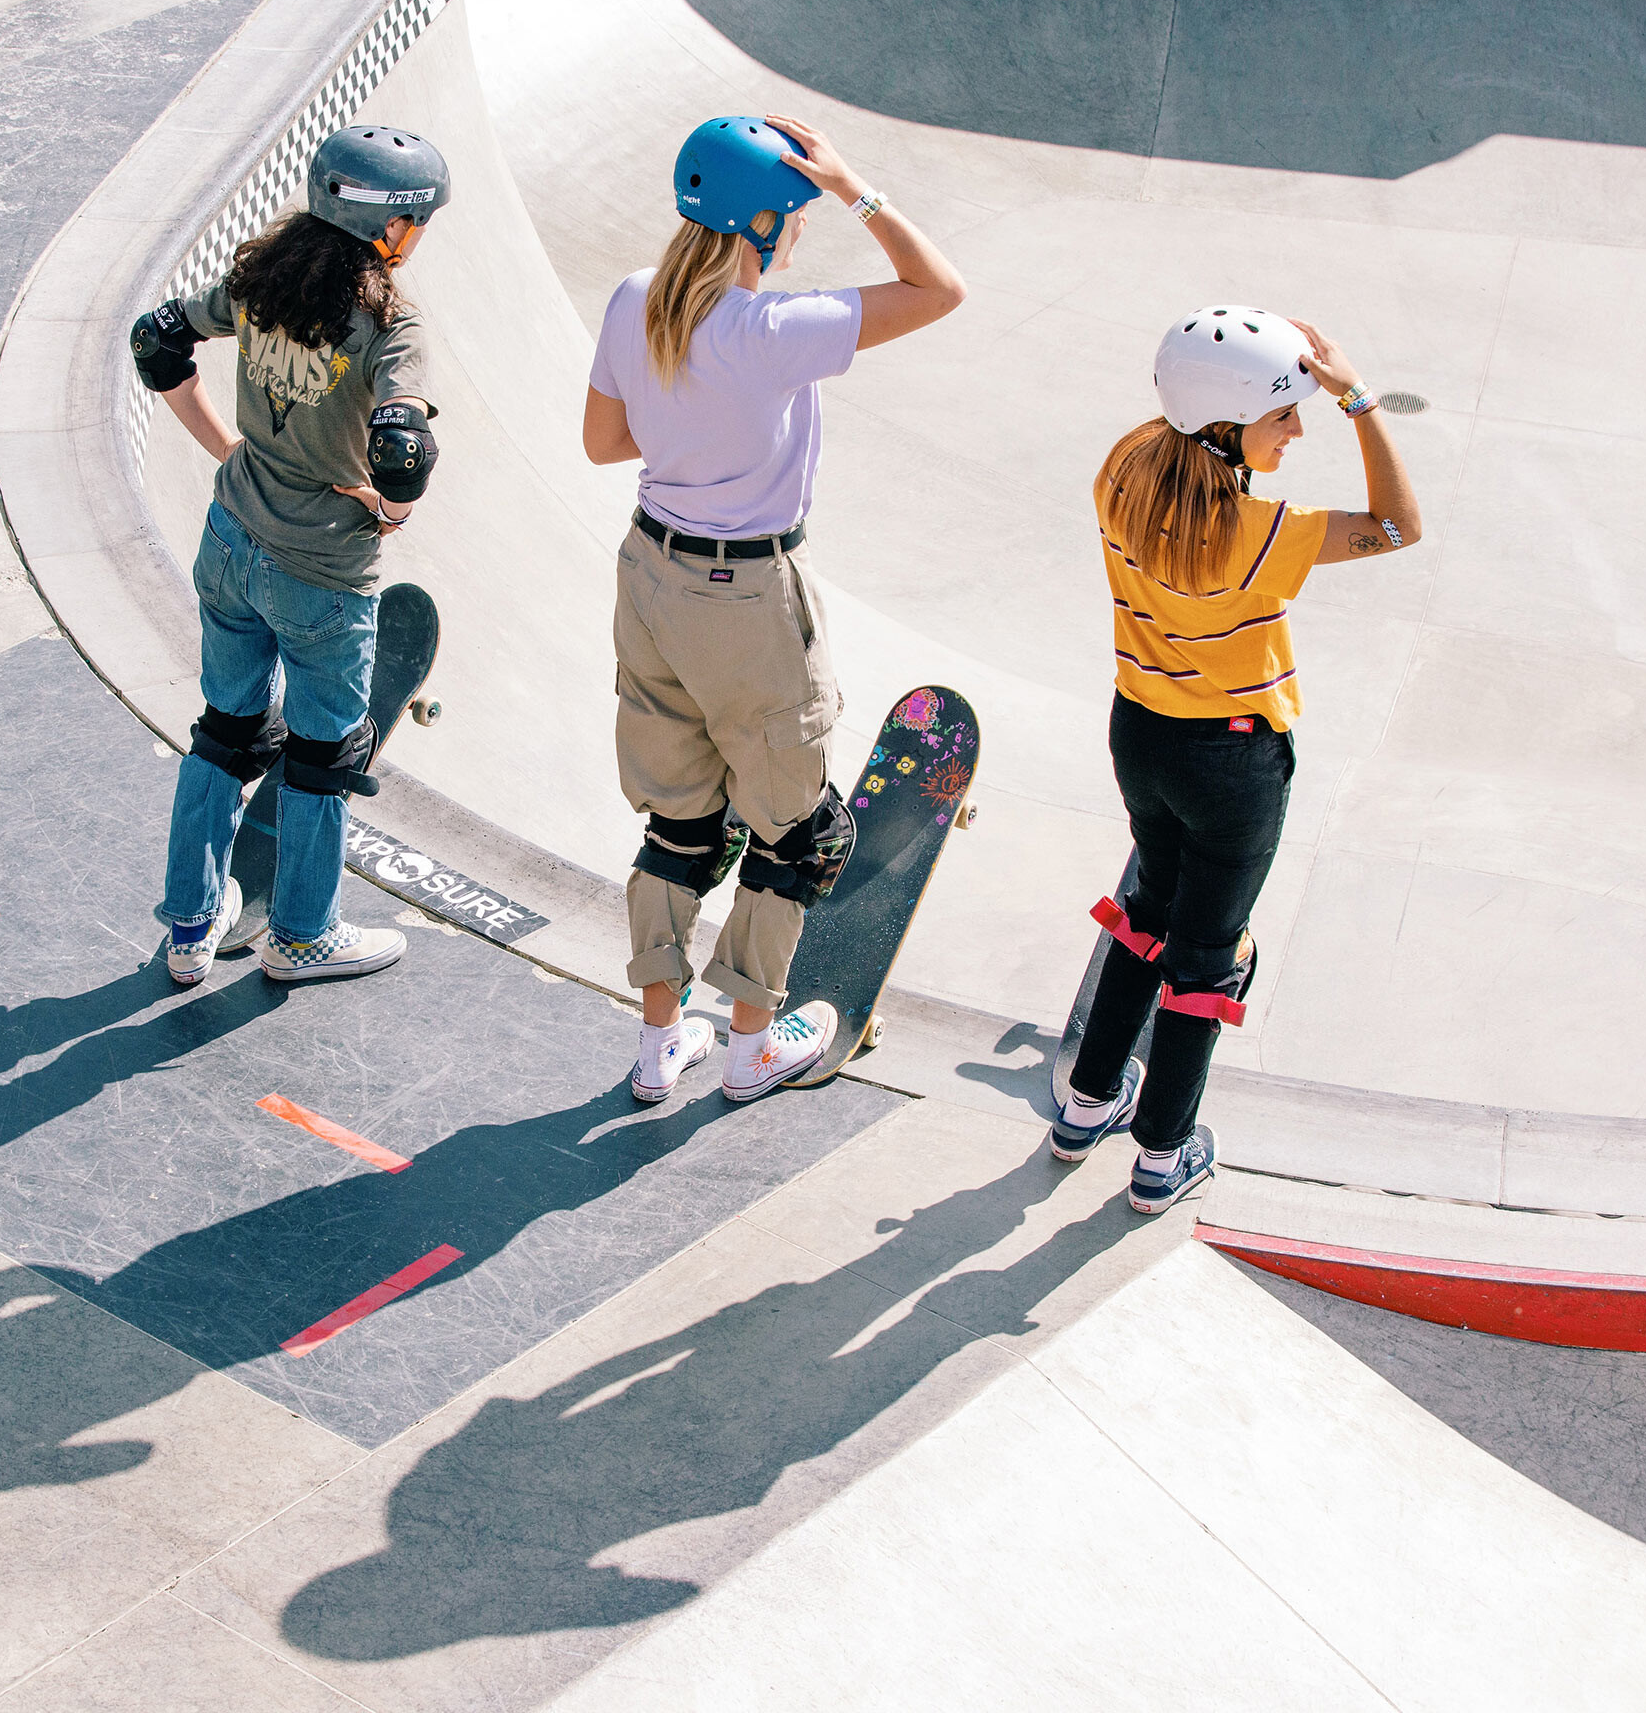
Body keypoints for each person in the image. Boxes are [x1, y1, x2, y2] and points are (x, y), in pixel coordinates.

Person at [583, 115, 966, 1104]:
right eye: (794, 215)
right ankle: (752, 1046)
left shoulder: (634, 302)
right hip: (746, 600)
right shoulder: (772, 333)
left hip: (648, 575)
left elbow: (602, 440)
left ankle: (657, 1043)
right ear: (762, 221)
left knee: (682, 825)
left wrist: (692, 437)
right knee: (801, 833)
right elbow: (940, 290)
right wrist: (855, 186)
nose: (802, 230)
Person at [1052, 307, 1423, 1212]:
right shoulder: (1259, 534)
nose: (1298, 429)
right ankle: (1161, 1154)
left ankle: (1084, 1104)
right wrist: (1358, 399)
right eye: (1284, 414)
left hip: (1139, 733)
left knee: (1146, 909)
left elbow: (1174, 409)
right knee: (1207, 958)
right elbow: (1398, 526)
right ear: (1226, 426)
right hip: (1232, 764)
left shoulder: (1123, 471)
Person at [128, 126, 449, 987]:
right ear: (390, 231)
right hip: (322, 576)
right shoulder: (391, 319)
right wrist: (390, 508)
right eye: (418, 222)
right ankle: (303, 937)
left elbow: (156, 339)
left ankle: (192, 927)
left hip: (229, 542)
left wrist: (227, 448)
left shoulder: (261, 279)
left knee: (225, 734)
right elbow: (403, 446)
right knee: (320, 758)